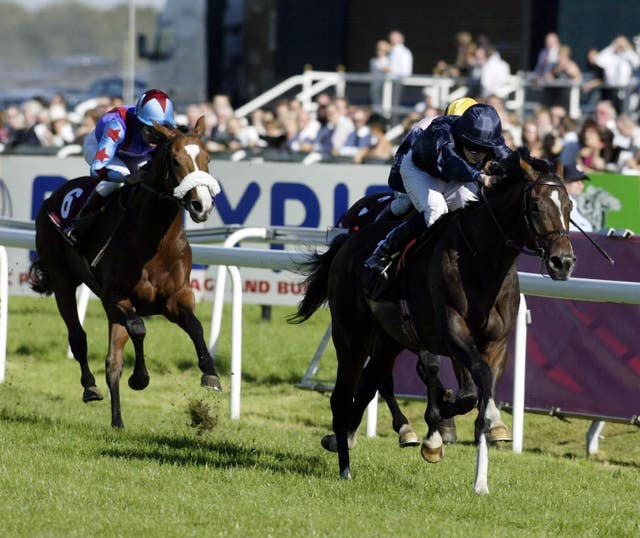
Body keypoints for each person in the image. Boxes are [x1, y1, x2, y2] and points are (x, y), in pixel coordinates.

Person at [364, 103, 510, 277]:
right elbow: (452, 161)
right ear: (462, 135)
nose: (478, 153)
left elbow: (511, 159)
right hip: (420, 171)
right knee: (436, 210)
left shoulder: (489, 139)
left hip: (452, 176)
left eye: (484, 148)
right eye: (472, 145)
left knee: (474, 209)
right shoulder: (442, 131)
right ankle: (382, 252)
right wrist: (480, 176)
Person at [60, 89, 176, 246]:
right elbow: (97, 169)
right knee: (116, 181)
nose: (155, 139)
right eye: (151, 130)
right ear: (139, 122)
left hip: (136, 154)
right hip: (101, 148)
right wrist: (126, 178)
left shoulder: (166, 131)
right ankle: (80, 224)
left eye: (160, 132)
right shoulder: (117, 126)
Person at [563, 163, 593, 232]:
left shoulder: (573, 201)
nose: (581, 185)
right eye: (576, 181)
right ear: (564, 181)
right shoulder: (561, 202)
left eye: (582, 181)